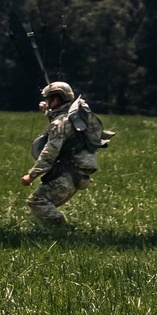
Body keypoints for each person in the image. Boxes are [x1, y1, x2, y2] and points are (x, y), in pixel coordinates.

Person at [21, 80, 114, 227]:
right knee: (43, 201)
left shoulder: (60, 124)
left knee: (37, 201)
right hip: (78, 171)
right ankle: (62, 232)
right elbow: (63, 122)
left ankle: (63, 233)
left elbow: (50, 152)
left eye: (48, 99)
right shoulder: (72, 116)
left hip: (70, 172)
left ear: (56, 99)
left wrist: (32, 175)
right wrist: (47, 111)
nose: (45, 101)